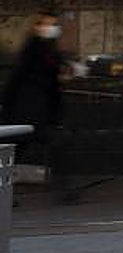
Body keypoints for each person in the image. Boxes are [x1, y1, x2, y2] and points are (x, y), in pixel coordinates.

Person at [2, 11, 77, 203]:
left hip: (34, 111)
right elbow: (20, 78)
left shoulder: (46, 49)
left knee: (18, 150)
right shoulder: (35, 50)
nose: (51, 29)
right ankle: (64, 191)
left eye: (53, 25)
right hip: (28, 111)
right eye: (47, 25)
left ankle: (64, 191)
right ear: (37, 27)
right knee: (52, 144)